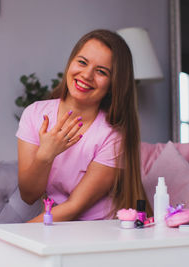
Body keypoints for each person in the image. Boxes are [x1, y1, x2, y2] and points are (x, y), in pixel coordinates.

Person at [16, 29, 152, 223]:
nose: (87, 75)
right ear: (70, 62)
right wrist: (45, 155)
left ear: (113, 84)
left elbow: (74, 207)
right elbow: (28, 195)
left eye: (101, 72)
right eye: (82, 62)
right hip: (55, 226)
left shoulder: (113, 137)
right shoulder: (35, 114)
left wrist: (15, 239)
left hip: (97, 229)